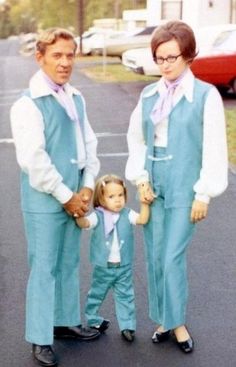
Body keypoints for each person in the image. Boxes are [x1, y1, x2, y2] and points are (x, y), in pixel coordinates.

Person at [125, 20, 228, 353]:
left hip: (186, 182)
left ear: (188, 55)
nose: (166, 65)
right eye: (160, 58)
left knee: (172, 257)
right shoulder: (150, 94)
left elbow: (214, 147)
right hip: (153, 181)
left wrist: (204, 193)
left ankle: (178, 322)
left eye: (172, 57)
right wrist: (140, 179)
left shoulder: (205, 96)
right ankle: (163, 319)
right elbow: (137, 139)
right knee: (155, 256)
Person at [10, 28, 100, 367]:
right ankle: (39, 337)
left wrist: (88, 185)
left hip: (75, 194)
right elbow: (34, 160)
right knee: (44, 267)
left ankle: (64, 321)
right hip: (46, 200)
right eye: (57, 55)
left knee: (69, 262)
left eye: (70, 55)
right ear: (41, 58)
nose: (65, 63)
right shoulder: (27, 104)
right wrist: (67, 196)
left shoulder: (75, 97)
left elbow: (88, 144)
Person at [76, 174, 150, 342]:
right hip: (103, 266)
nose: (117, 200)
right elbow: (84, 224)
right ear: (101, 199)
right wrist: (78, 211)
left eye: (120, 195)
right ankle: (94, 320)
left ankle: (127, 326)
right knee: (96, 294)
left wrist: (144, 203)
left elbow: (143, 219)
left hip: (123, 266)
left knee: (126, 296)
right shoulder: (98, 216)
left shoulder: (127, 213)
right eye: (111, 196)